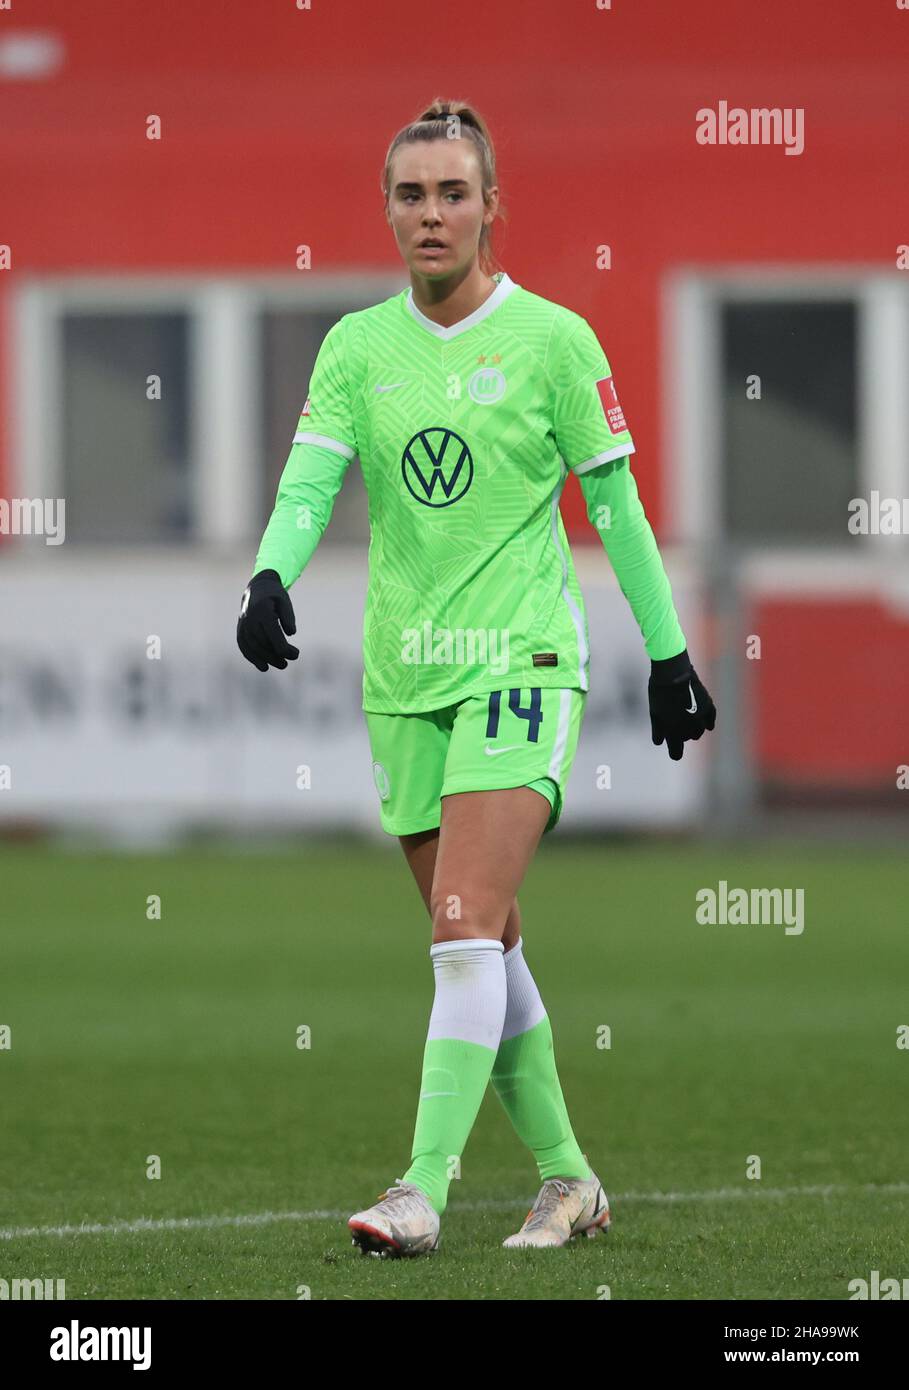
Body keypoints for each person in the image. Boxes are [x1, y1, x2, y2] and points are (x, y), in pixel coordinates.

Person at [236, 98, 716, 1257]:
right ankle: (570, 1180)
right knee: (486, 943)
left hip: (523, 663)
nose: (432, 213)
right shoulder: (357, 348)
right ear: (388, 209)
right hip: (406, 679)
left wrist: (667, 649)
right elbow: (309, 488)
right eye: (412, 193)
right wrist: (267, 574)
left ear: (493, 204)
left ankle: (420, 1190)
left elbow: (614, 504)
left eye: (454, 191)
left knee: (458, 934)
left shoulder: (555, 341)